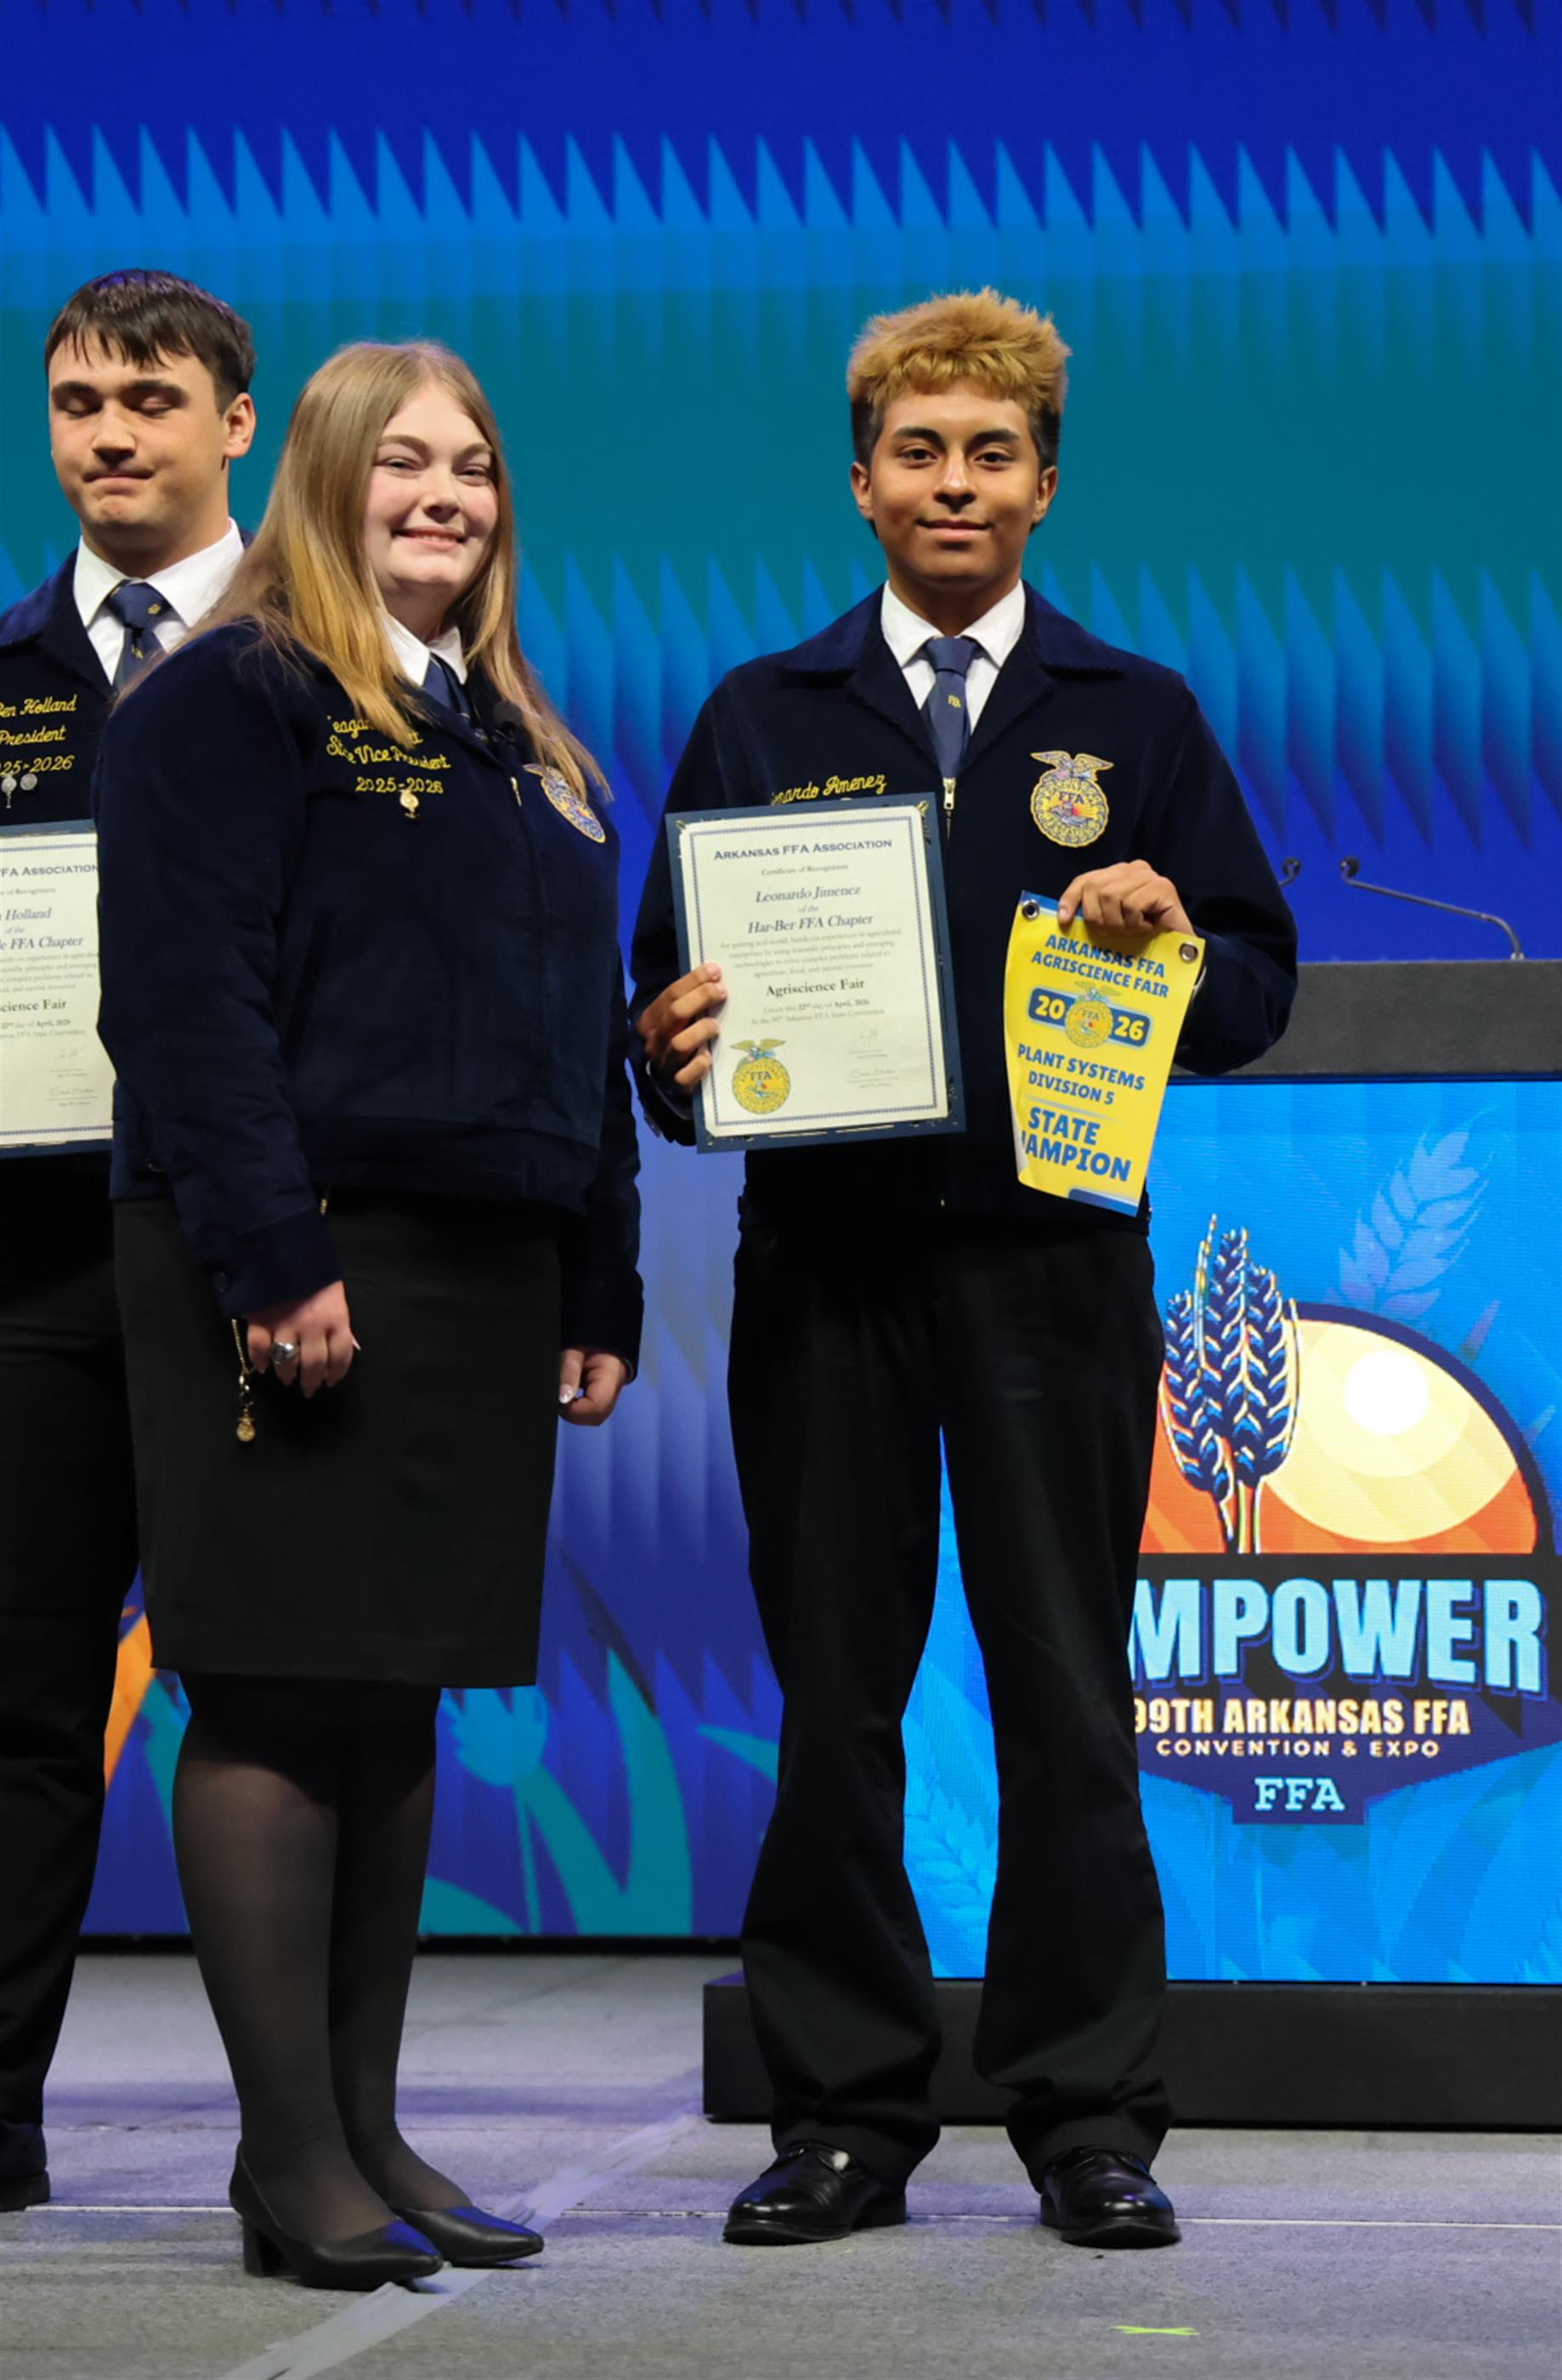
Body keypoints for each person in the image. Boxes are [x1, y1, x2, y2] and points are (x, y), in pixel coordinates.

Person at [631, 290, 1296, 2251]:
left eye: (988, 452)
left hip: (1052, 1279)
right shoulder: (763, 713)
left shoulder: (1135, 716)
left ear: (1044, 483)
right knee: (834, 1700)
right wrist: (668, 1048)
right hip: (824, 1276)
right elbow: (667, 1030)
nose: (952, 483)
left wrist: (1171, 938)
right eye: (916, 451)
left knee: (1064, 1698)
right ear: (860, 481)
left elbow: (1253, 991)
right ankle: (842, 2113)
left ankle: (1087, 2115)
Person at [94, 340, 642, 2289]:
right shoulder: (226, 698)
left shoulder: (531, 748)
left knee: (393, 1687)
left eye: (471, 464)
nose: (444, 493)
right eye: (402, 459)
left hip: (483, 1273)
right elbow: (183, 1002)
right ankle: (288, 2154)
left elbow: (580, 1039)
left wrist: (600, 1271)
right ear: (322, 475)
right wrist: (271, 1255)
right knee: (271, 1683)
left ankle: (368, 2122)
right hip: (295, 1253)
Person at [0, 269, 255, 2216]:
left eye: (150, 400)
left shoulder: (335, 666)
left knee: (285, 1700)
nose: (109, 432)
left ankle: (314, 2133)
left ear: (236, 424)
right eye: (79, 399)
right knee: (18, 1706)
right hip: (30, 1271)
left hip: (268, 1265)